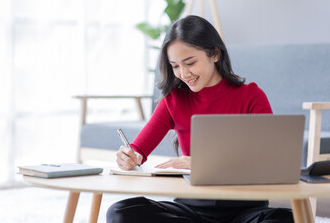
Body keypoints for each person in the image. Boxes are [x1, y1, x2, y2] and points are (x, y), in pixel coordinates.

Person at [106, 15, 294, 223]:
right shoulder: (173, 101)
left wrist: (205, 164)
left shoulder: (251, 96)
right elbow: (138, 149)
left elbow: (271, 160)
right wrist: (129, 156)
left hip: (245, 209)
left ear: (214, 54)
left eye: (190, 63)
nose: (184, 74)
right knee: (121, 212)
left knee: (286, 219)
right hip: (191, 210)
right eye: (175, 66)